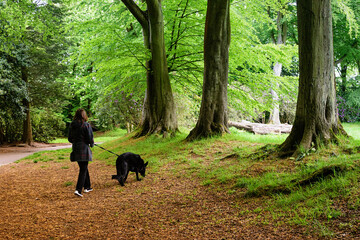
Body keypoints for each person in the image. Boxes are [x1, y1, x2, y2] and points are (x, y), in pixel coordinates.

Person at [68, 108, 94, 197]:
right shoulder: (86, 125)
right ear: (84, 115)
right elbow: (90, 137)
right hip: (84, 148)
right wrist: (91, 143)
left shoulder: (72, 125)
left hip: (76, 148)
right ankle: (78, 190)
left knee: (84, 167)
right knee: (83, 169)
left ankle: (87, 186)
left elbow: (69, 139)